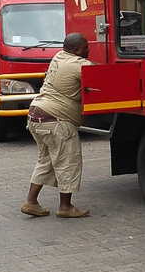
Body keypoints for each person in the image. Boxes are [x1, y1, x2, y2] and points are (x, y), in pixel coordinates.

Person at [21, 32, 94, 219]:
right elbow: (103, 75)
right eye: (86, 47)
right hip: (56, 121)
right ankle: (65, 207)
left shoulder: (58, 56)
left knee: (46, 161)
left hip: (36, 115)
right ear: (77, 50)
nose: (89, 49)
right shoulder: (79, 64)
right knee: (68, 161)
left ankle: (31, 202)